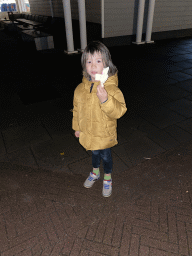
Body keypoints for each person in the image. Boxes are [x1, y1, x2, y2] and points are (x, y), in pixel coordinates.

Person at [72, 41, 127, 197]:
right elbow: (77, 110)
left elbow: (120, 110)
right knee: (94, 154)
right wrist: (77, 127)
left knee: (106, 156)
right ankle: (95, 172)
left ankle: (107, 178)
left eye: (98, 61)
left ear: (106, 63)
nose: (93, 65)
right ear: (84, 65)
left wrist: (105, 100)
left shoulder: (110, 88)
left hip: (104, 133)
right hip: (89, 132)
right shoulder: (79, 89)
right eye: (89, 61)